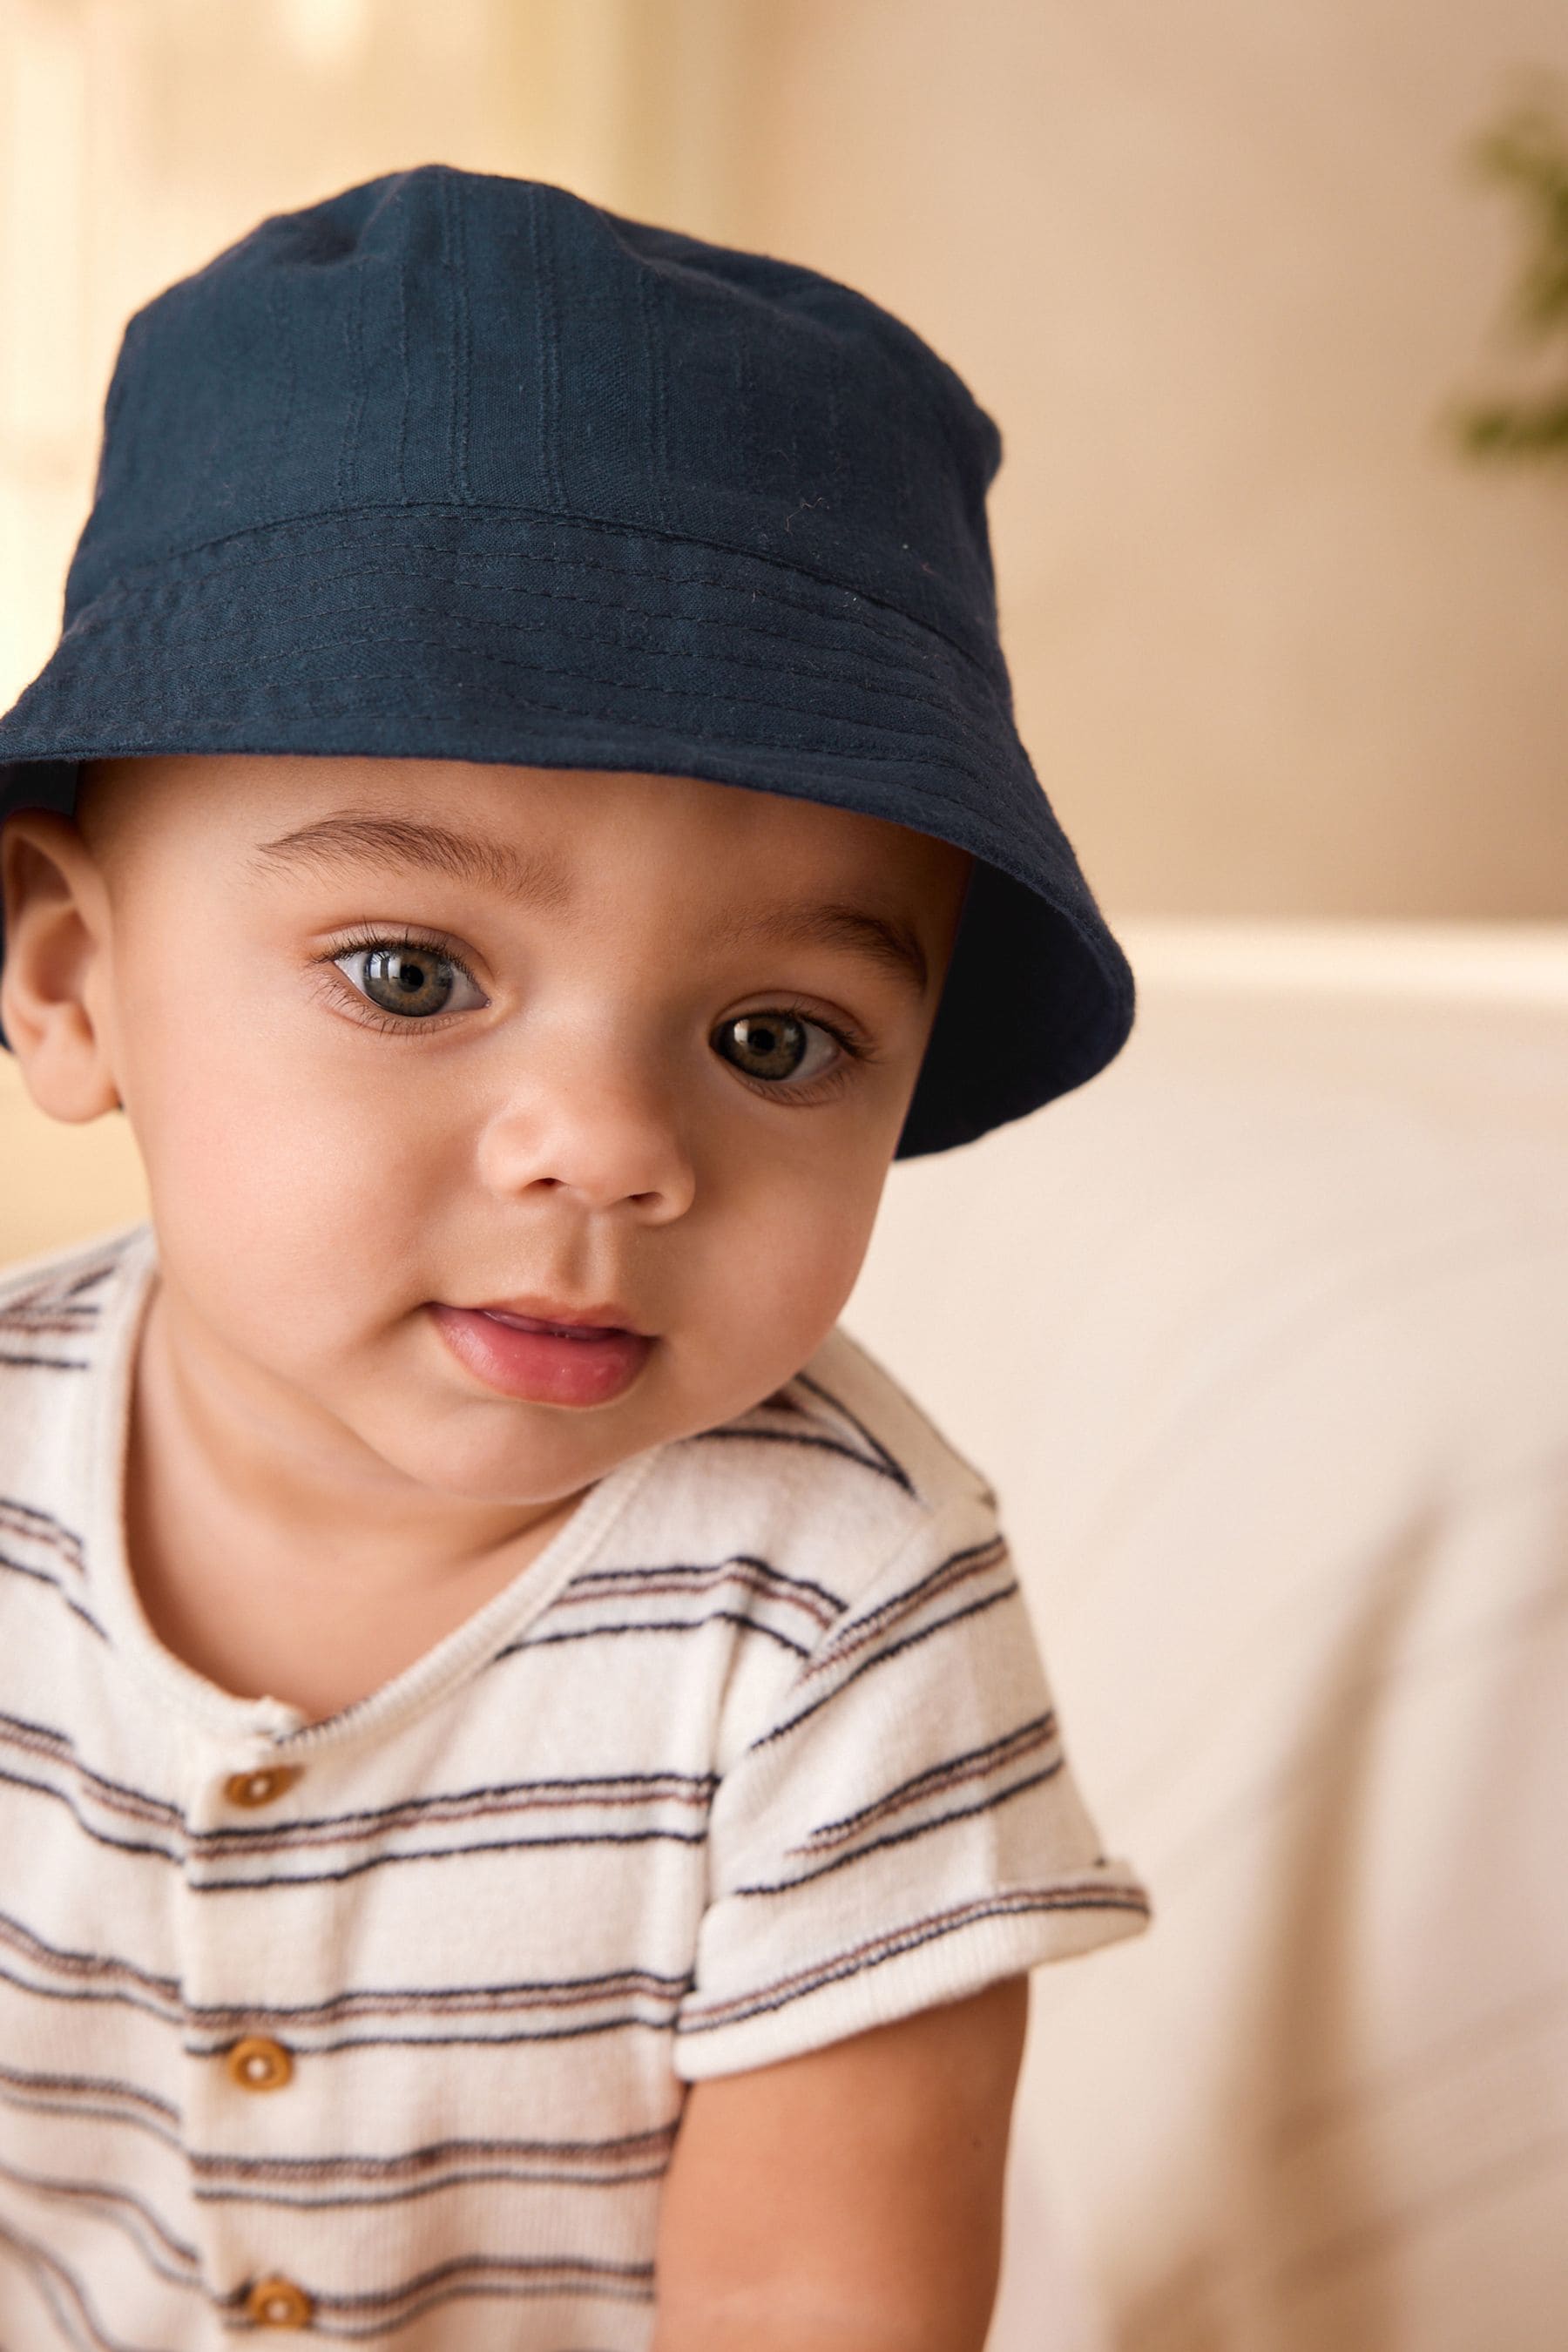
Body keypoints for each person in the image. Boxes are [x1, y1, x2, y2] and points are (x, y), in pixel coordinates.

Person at [0, 167, 1149, 2350]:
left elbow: (824, 2302)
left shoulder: (831, 1611)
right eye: (415, 975)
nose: (615, 1151)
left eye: (775, 1037)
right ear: (71, 978)